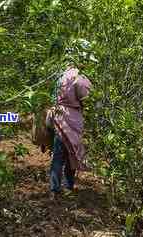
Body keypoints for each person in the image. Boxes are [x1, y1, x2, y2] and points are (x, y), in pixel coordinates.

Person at [47, 39, 95, 200]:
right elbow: (88, 101)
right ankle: (68, 186)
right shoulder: (80, 78)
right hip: (72, 120)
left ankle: (54, 188)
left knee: (58, 154)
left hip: (58, 117)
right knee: (71, 154)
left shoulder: (62, 75)